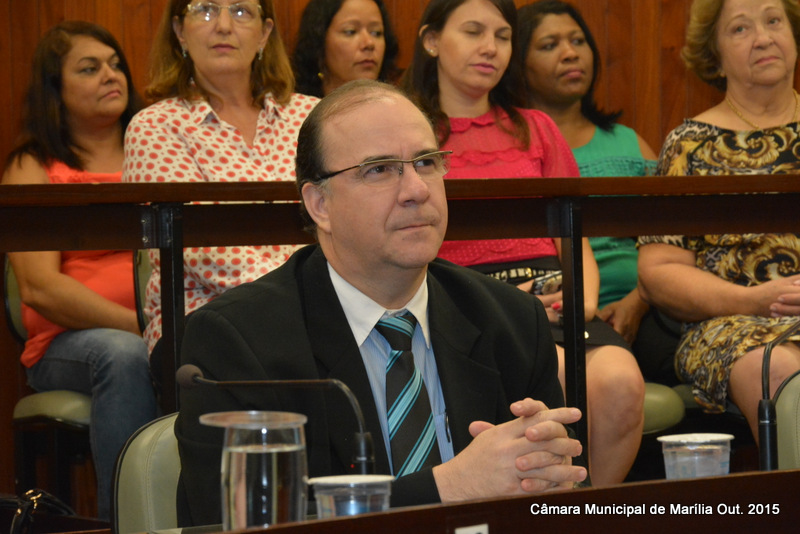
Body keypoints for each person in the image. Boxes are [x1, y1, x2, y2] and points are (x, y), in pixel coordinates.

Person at [175, 80, 587, 526]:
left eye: (426, 162)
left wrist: (549, 477)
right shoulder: (238, 339)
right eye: (380, 169)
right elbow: (239, 521)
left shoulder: (512, 321)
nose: (417, 190)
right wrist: (448, 488)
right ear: (319, 204)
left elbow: (566, 507)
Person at [401, 0, 644, 486]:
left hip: (555, 294)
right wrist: (519, 302)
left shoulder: (537, 126)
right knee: (557, 378)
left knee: (621, 382)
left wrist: (582, 299)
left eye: (503, 35)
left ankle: (588, 509)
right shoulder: (413, 136)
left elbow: (573, 233)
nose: (490, 48)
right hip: (466, 299)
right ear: (431, 41)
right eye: (473, 32)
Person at [1, 21, 157, 520]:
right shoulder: (33, 165)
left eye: (115, 64)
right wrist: (144, 326)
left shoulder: (156, 150)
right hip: (68, 344)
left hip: (161, 325)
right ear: (56, 90)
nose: (110, 75)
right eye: (89, 69)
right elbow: (40, 288)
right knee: (125, 354)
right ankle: (126, 522)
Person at [637, 0, 800, 441]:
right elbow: (658, 273)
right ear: (716, 57)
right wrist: (754, 300)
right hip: (733, 324)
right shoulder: (689, 145)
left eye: (773, 20)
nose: (763, 38)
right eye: (740, 29)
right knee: (780, 370)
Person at [123, 0, 318, 359]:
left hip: (322, 312)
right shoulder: (155, 126)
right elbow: (203, 252)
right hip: (205, 324)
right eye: (206, 9)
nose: (224, 25)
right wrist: (314, 295)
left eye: (242, 11)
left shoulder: (312, 116)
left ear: (264, 33)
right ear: (180, 31)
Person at [516, 0, 681, 386]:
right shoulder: (514, 151)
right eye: (549, 45)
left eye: (578, 41)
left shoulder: (628, 142)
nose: (570, 53)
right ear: (518, 64)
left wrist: (637, 301)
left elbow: (671, 240)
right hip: (556, 312)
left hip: (647, 305)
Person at [292, 0, 399, 97]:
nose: (369, 43)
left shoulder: (397, 107)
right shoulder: (299, 108)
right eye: (350, 31)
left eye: (376, 33)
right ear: (319, 40)